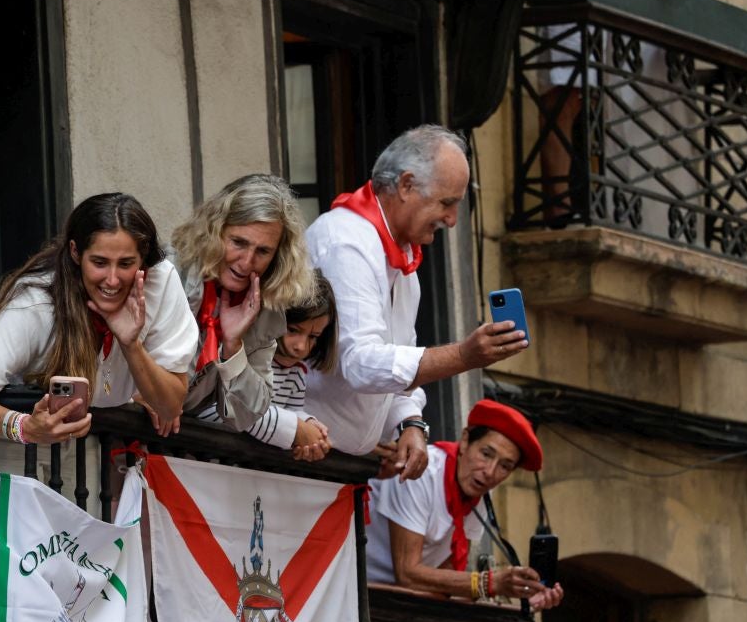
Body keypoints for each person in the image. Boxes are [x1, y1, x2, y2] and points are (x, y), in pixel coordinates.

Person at [304, 125, 529, 480]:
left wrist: (410, 423)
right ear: (406, 185)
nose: (453, 220)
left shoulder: (403, 261)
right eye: (446, 203)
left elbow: (397, 362)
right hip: (305, 464)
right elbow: (361, 363)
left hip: (339, 470)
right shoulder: (346, 241)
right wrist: (463, 356)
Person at [0, 192, 197, 446]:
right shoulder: (36, 301)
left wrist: (132, 346)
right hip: (1, 445)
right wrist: (25, 428)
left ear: (143, 261)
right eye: (99, 262)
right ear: (75, 252)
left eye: (126, 263)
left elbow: (169, 407)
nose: (112, 279)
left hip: (78, 445)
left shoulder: (159, 283)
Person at [170, 175, 325, 460]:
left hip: (174, 453)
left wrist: (233, 346)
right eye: (238, 242)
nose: (246, 262)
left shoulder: (266, 311)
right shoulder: (170, 275)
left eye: (263, 251)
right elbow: (111, 372)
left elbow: (246, 414)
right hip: (120, 442)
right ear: (215, 231)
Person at [365, 399, 564, 611]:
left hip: (395, 603)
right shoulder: (424, 471)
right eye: (486, 454)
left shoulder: (479, 492)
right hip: (360, 589)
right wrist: (491, 583)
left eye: (505, 466)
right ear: (466, 440)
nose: (490, 472)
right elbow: (407, 573)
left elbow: (447, 581)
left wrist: (524, 598)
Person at [196, 270, 337, 462]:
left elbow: (292, 411)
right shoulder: (240, 356)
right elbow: (214, 411)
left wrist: (309, 428)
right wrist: (294, 429)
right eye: (293, 330)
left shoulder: (296, 375)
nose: (301, 346)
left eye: (313, 337)